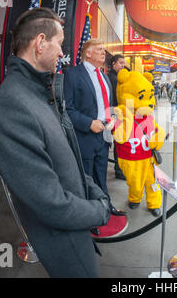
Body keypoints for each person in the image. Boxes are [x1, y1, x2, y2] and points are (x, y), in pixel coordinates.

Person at [0, 8, 110, 277]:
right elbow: (49, 202)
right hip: (64, 241)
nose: (62, 53)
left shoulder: (41, 94)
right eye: (60, 44)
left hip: (78, 224)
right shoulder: (10, 108)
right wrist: (98, 211)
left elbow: (69, 158)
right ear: (40, 43)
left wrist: (94, 191)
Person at [64, 38, 126, 226]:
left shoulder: (104, 76)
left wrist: (113, 117)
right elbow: (67, 108)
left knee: (101, 175)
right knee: (87, 178)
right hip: (85, 136)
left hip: (104, 136)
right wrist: (89, 123)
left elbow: (106, 105)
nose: (104, 53)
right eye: (99, 49)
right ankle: (90, 216)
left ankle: (105, 205)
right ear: (88, 53)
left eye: (104, 50)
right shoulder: (73, 74)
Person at [107, 54, 126, 181]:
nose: (123, 65)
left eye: (123, 63)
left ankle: (119, 169)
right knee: (118, 143)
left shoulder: (115, 77)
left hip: (115, 113)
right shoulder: (113, 78)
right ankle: (119, 170)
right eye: (120, 63)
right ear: (113, 63)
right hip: (114, 113)